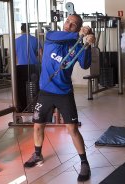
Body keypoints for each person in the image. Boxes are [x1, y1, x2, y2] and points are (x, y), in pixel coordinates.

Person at [23, 14, 95, 182]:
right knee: (38, 126)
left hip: (64, 93)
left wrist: (88, 44)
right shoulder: (52, 37)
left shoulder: (76, 44)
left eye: (73, 24)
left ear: (78, 28)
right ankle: (37, 154)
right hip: (46, 92)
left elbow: (85, 64)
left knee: (72, 130)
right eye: (68, 21)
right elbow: (52, 35)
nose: (68, 25)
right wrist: (80, 34)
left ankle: (84, 163)